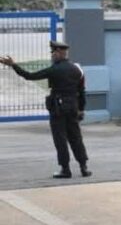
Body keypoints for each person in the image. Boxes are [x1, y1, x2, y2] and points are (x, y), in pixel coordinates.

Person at [1, 40, 90, 178]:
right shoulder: (77, 69)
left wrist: (13, 65)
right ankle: (84, 167)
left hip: (58, 108)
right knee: (76, 137)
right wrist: (81, 109)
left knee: (60, 139)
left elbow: (29, 76)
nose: (52, 55)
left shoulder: (54, 70)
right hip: (73, 107)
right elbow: (82, 91)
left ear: (59, 53)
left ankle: (65, 169)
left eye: (53, 53)